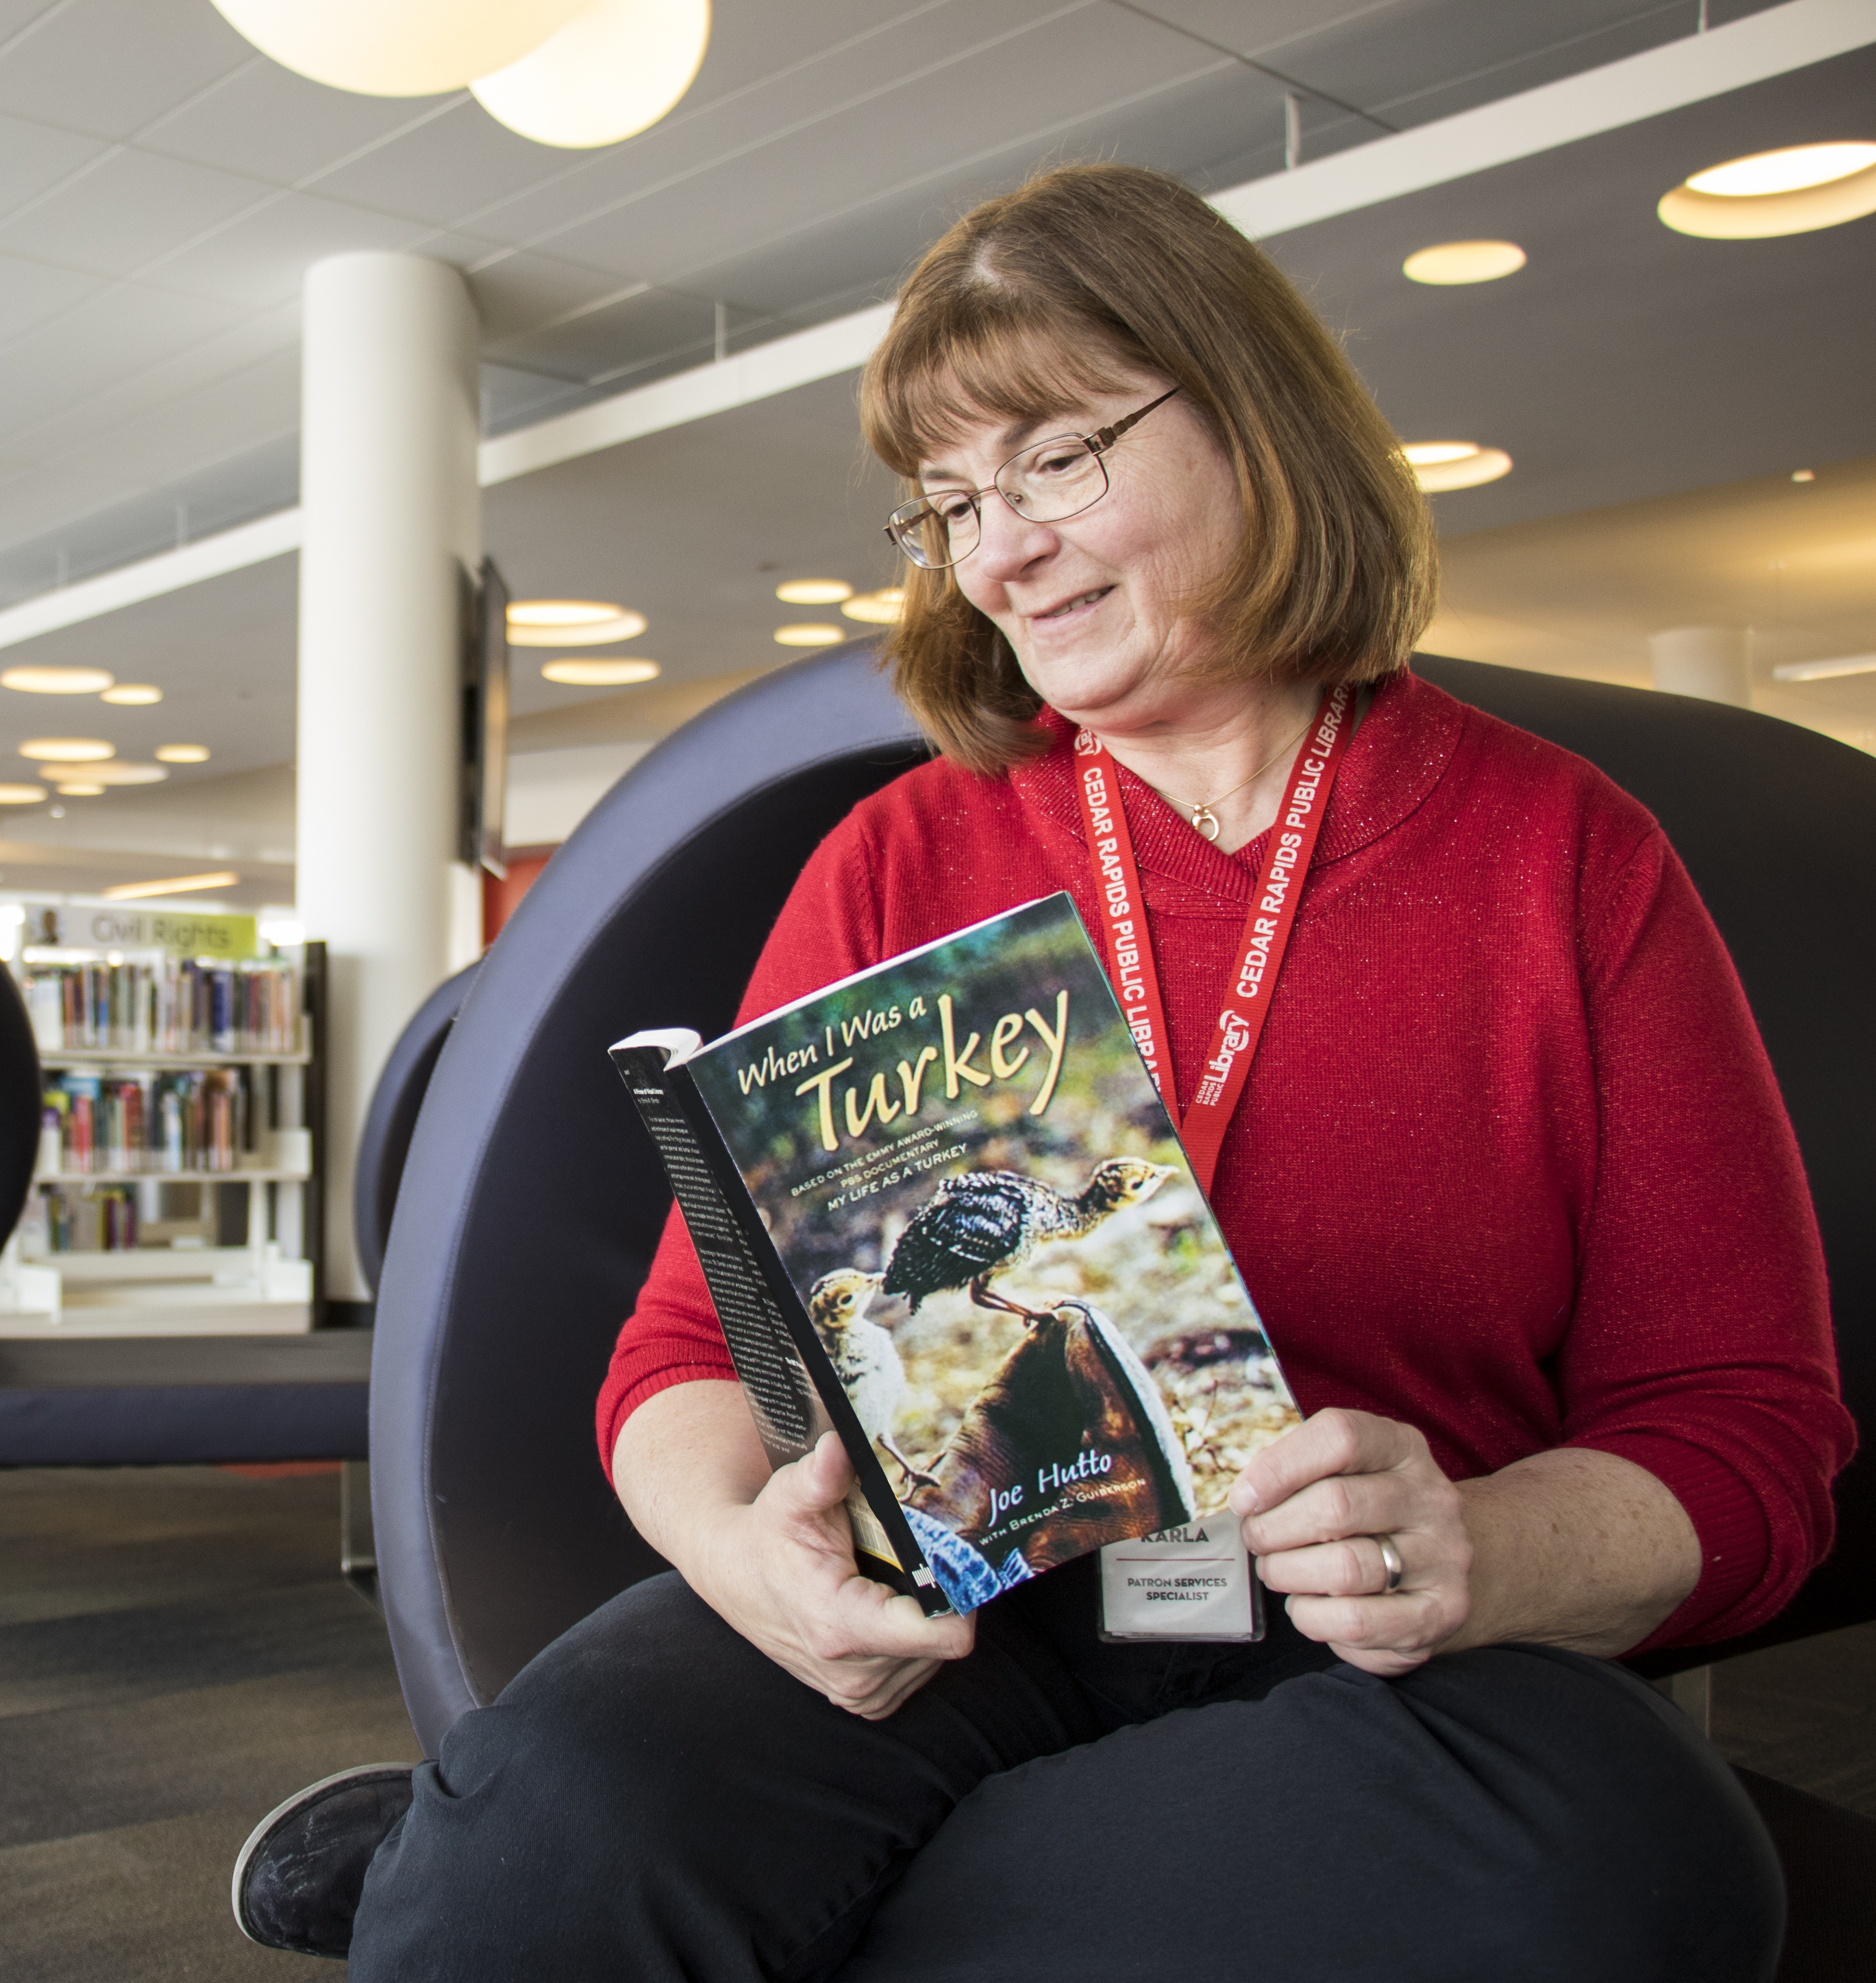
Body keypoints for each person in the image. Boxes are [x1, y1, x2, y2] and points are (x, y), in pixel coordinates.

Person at [232, 163, 1852, 1980]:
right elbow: (684, 1357)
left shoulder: (1566, 858)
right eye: (951, 503)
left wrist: (1476, 1544)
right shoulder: (902, 858)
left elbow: (1745, 1433)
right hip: (955, 1615)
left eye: (1058, 459)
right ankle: (537, 1862)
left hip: (1375, 1653)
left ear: (1255, 416)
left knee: (1629, 1871)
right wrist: (740, 1547)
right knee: (567, 1821)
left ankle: (542, 1880)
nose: (997, 549)